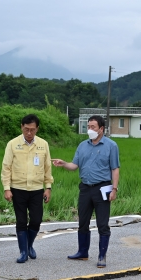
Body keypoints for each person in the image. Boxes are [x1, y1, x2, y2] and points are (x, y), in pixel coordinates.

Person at [52, 115, 120, 268]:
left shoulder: (111, 146)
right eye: (88, 126)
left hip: (102, 188)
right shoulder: (82, 145)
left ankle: (102, 256)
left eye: (93, 127)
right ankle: (82, 252)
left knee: (102, 224)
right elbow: (74, 166)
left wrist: (114, 189)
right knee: (83, 222)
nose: (90, 129)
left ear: (101, 129)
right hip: (85, 188)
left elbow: (115, 169)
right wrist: (64, 164)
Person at [1, 114, 54, 263]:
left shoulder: (43, 144)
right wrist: (7, 188)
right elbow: (6, 167)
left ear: (37, 129)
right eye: (26, 129)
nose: (29, 133)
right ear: (21, 127)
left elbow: (47, 167)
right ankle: (23, 251)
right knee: (21, 220)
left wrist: (48, 187)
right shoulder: (12, 144)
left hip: (37, 189)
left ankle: (29, 245)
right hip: (18, 188)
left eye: (32, 130)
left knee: (36, 220)